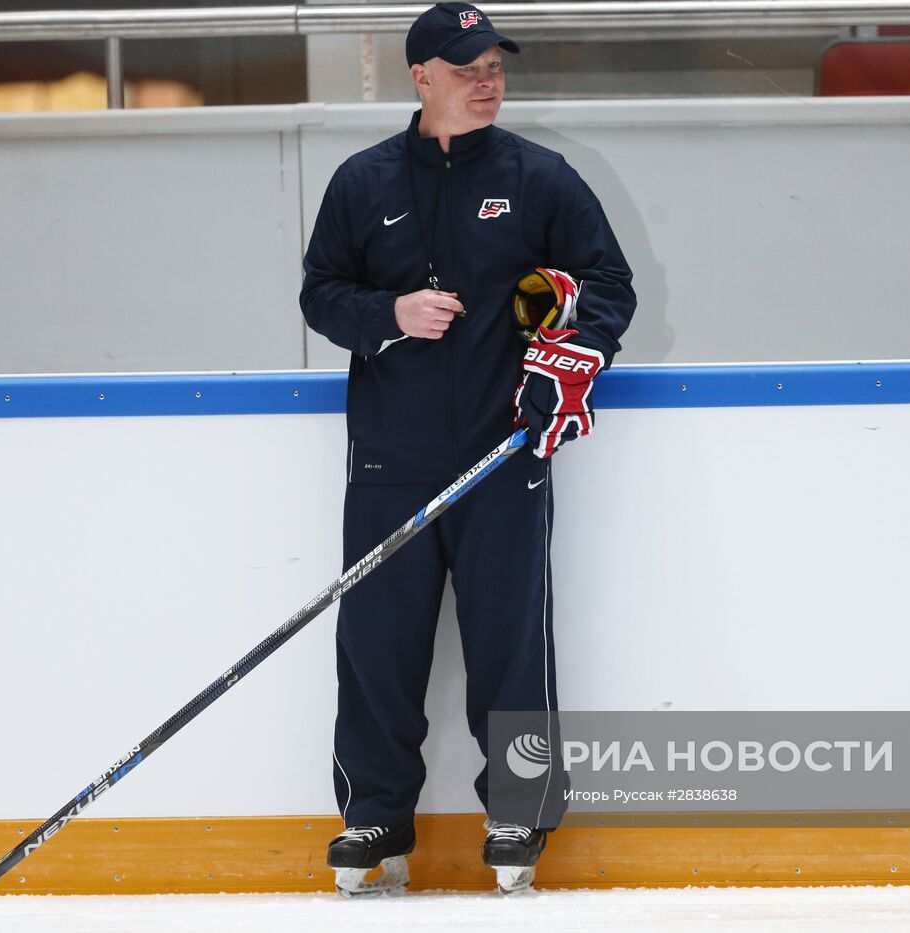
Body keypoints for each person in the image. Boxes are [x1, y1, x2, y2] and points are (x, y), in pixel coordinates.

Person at [299, 1, 635, 897]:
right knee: (377, 643)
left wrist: (575, 360)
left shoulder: (540, 177)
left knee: (510, 644)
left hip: (503, 454)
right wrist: (390, 315)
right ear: (420, 76)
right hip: (389, 460)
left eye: (495, 66)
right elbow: (320, 294)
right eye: (467, 68)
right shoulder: (361, 183)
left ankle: (518, 808)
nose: (487, 82)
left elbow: (609, 283)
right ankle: (374, 810)